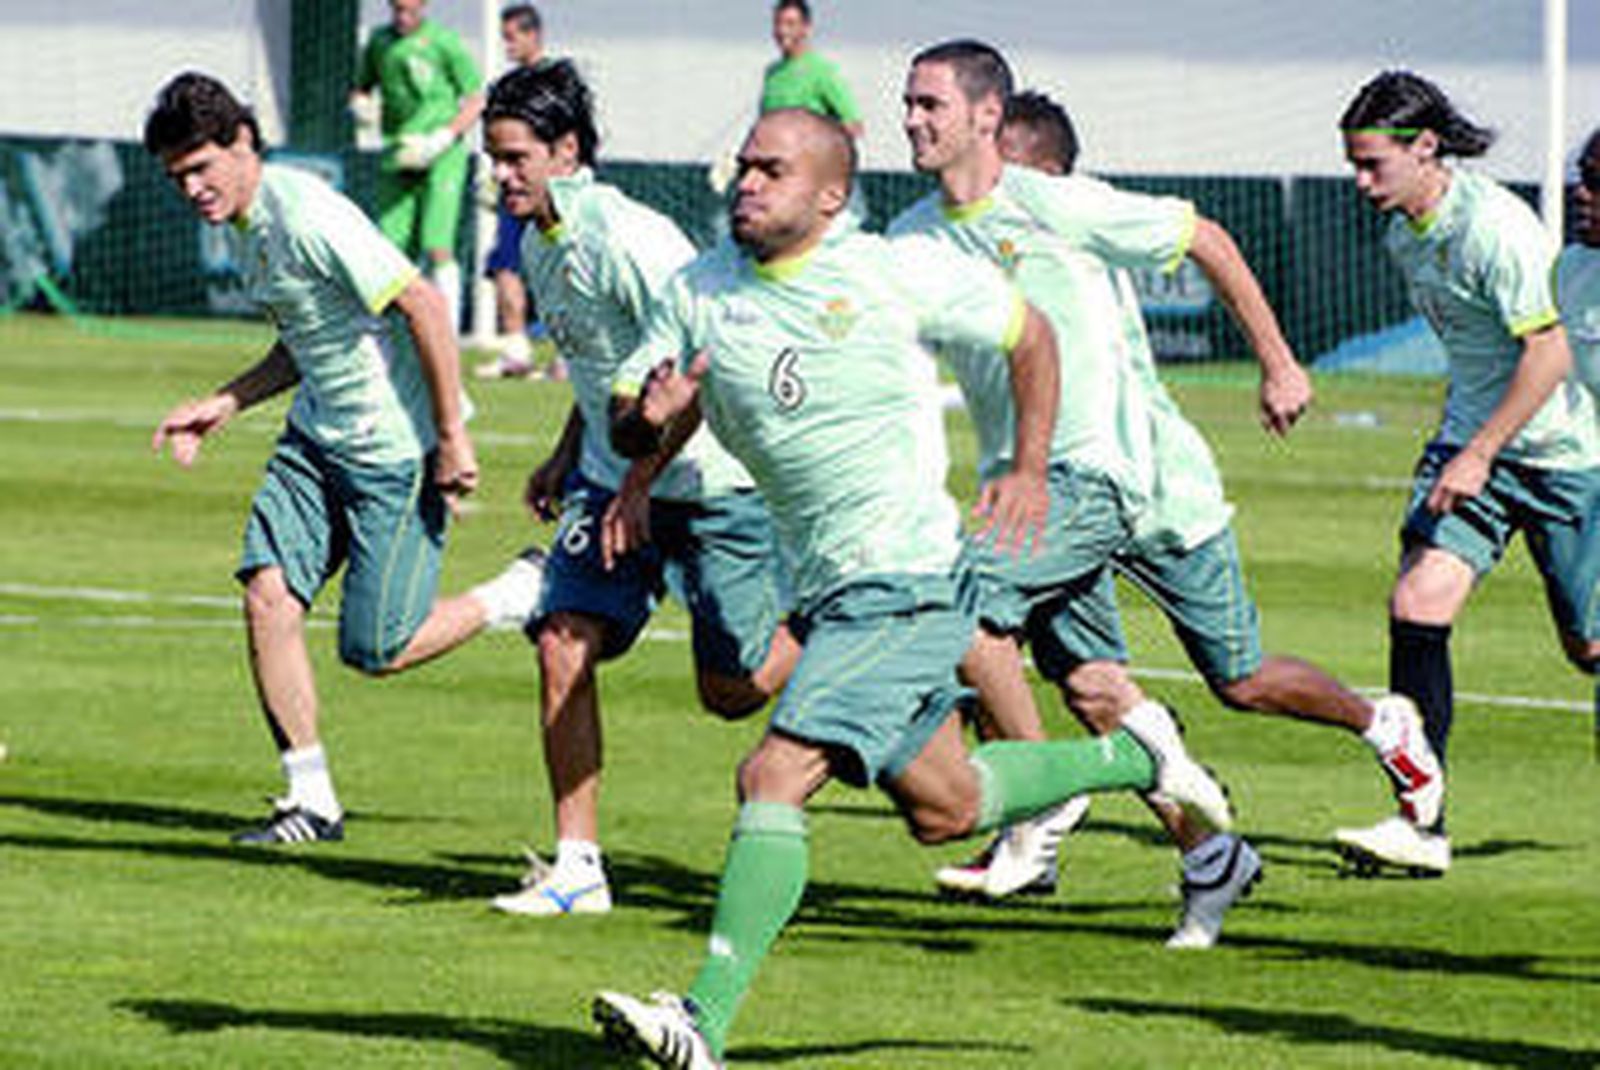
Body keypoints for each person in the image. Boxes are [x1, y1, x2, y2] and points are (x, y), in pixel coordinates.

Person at [589, 107, 1234, 1069]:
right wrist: (647, 430)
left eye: (771, 170)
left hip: (907, 577)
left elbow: (1033, 334)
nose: (747, 185)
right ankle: (1134, 759)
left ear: (830, 193)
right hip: (828, 584)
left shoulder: (888, 271)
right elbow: (641, 410)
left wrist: (1028, 468)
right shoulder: (700, 288)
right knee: (950, 806)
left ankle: (703, 1023)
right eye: (743, 169)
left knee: (772, 775)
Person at [890, 45, 1441, 947]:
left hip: (1130, 480)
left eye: (928, 103)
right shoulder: (911, 236)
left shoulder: (1056, 203)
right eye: (905, 103)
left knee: (1226, 674)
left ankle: (1043, 801)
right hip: (1037, 493)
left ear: (987, 116)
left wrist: (1278, 361)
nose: (910, 119)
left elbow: (1209, 239)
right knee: (1098, 689)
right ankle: (1212, 857)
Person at [143, 72, 543, 845]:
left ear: (243, 145)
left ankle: (519, 589)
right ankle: (311, 800)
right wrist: (224, 403)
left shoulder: (308, 213)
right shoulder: (246, 224)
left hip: (394, 452)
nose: (192, 188)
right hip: (314, 441)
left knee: (377, 648)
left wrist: (453, 438)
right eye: (177, 176)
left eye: (201, 167)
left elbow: (422, 303)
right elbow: (310, 340)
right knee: (267, 595)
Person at [479, 61, 799, 917]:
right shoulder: (541, 239)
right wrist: (568, 451)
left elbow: (691, 368)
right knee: (562, 639)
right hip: (611, 476)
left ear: (568, 151)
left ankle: (838, 621)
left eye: (516, 158)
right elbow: (605, 370)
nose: (502, 175)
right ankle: (577, 867)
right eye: (494, 158)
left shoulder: (627, 239)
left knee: (731, 691)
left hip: (707, 478)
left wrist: (640, 484)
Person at [1335, 71, 1600, 875]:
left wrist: (1482, 450)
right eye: (1353, 163)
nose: (1360, 180)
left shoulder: (1496, 230)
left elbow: (1547, 353)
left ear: (1425, 148)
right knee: (1416, 604)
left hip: (1563, 461)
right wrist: (1467, 445)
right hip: (1475, 447)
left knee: (1590, 649)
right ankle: (1421, 824)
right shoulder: (1402, 234)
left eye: (1372, 163)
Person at [352, 0, 485, 334]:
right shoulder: (379, 42)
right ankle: (389, 328)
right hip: (398, 151)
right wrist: (360, 106)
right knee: (389, 246)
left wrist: (444, 136)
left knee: (438, 244)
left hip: (441, 153)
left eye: (409, 9)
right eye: (396, 8)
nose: (402, 16)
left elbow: (475, 98)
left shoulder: (445, 42)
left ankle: (447, 330)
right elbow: (360, 87)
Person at [475, 3, 563, 381]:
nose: (507, 46)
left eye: (512, 38)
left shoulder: (555, 83)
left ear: (533, 35)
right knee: (504, 264)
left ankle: (566, 357)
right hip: (516, 195)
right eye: (504, 38)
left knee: (567, 270)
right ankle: (516, 351)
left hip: (553, 194)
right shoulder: (511, 85)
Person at [760, 0, 863, 139]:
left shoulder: (822, 71)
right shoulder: (771, 73)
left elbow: (855, 125)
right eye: (778, 23)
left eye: (790, 24)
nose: (782, 31)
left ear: (806, 29)